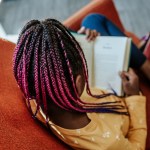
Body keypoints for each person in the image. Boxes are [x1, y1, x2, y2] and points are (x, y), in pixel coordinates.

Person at [13, 18, 147, 150]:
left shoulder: (35, 96)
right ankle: (146, 67)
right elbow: (137, 147)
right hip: (123, 93)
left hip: (93, 93)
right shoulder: (108, 143)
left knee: (91, 21)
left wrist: (81, 40)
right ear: (77, 83)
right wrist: (134, 96)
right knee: (96, 19)